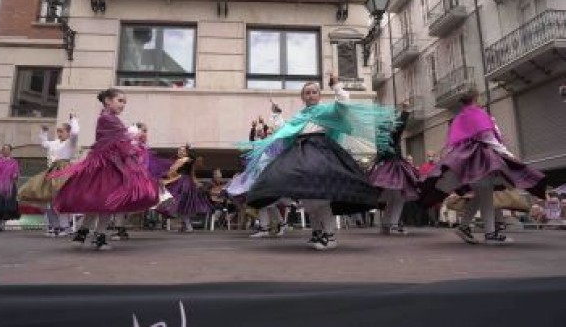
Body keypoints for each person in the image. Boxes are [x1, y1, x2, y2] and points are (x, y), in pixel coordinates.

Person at [231, 74, 393, 250]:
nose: (311, 95)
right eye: (307, 92)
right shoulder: (300, 116)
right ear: (303, 97)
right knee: (308, 198)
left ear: (319, 95)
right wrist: (277, 115)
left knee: (320, 198)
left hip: (320, 152)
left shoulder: (327, 110)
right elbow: (285, 131)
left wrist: (337, 86)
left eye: (314, 92)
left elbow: (344, 104)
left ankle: (330, 237)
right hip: (301, 153)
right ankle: (317, 233)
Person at [420, 89, 546, 244]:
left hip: (465, 158)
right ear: (476, 98)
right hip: (480, 159)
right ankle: (490, 234)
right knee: (485, 194)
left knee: (481, 195)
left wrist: (449, 161)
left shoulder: (460, 117)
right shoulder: (479, 114)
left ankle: (465, 227)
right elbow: (489, 138)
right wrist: (508, 154)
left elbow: (454, 142)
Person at [52, 88, 159, 250]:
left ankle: (87, 234)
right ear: (108, 101)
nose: (123, 105)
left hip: (111, 165)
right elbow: (122, 137)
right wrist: (134, 135)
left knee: (103, 201)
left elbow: (122, 142)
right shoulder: (106, 118)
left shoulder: (110, 118)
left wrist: (134, 141)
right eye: (120, 100)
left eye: (124, 102)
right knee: (104, 201)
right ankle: (93, 235)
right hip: (105, 166)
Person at [18, 114, 80, 237]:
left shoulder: (70, 143)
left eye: (61, 131)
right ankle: (55, 226)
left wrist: (73, 120)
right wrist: (44, 132)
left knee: (60, 198)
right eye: (58, 131)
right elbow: (44, 143)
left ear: (68, 132)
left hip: (64, 170)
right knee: (51, 199)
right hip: (53, 170)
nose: (59, 134)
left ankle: (65, 227)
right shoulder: (55, 143)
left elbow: (76, 133)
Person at [368, 102, 420, 235]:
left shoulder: (380, 136)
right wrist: (405, 111)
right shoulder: (391, 135)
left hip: (386, 168)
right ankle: (393, 225)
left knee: (393, 198)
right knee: (398, 197)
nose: (392, 124)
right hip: (394, 167)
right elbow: (401, 126)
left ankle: (386, 224)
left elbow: (380, 155)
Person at [156, 144, 212, 232]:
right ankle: (185, 225)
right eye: (179, 150)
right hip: (182, 182)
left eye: (182, 150)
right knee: (182, 204)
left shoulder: (184, 160)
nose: (180, 152)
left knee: (180, 202)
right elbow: (188, 174)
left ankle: (187, 225)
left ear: (186, 152)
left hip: (184, 183)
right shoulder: (183, 160)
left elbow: (189, 174)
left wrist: (197, 183)